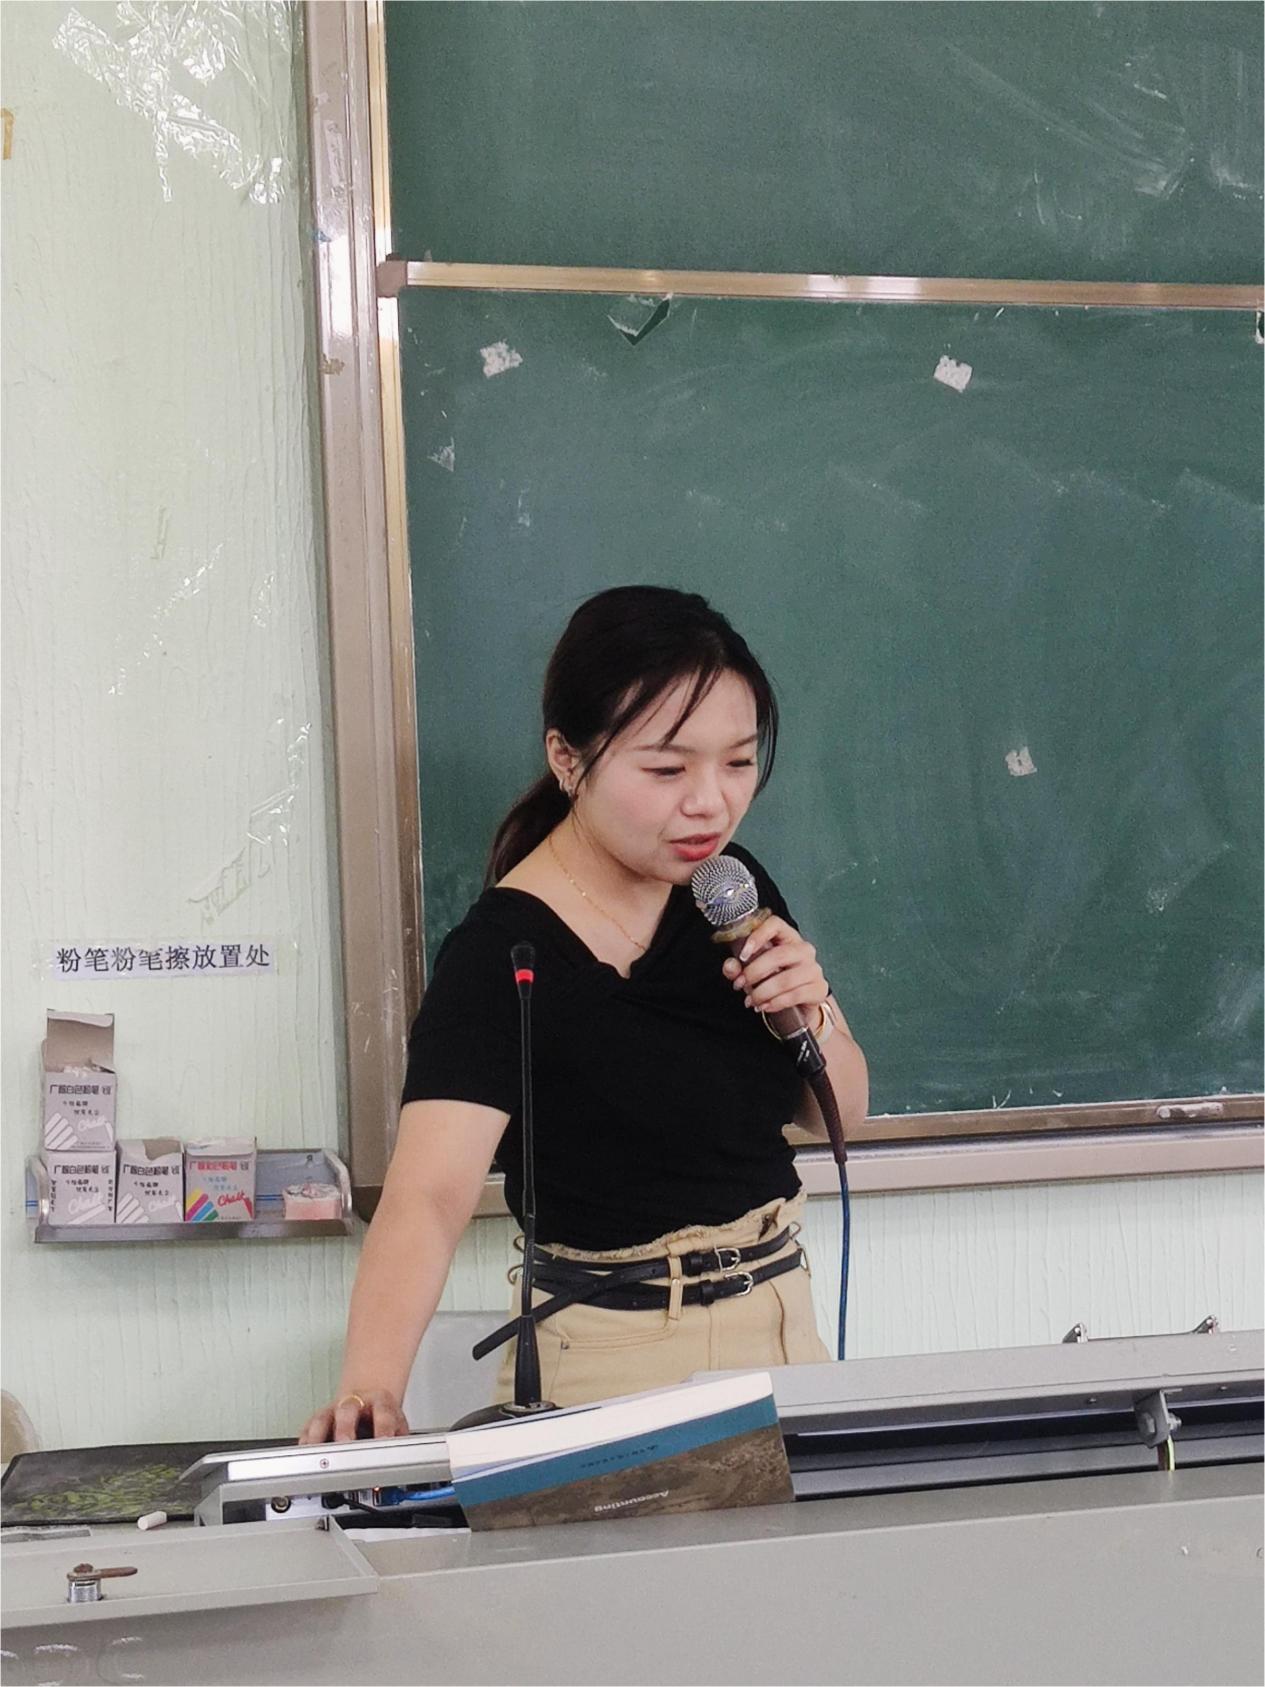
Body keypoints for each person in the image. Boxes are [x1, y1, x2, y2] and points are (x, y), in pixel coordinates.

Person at [299, 586, 868, 1443]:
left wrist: (812, 1011)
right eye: (667, 770)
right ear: (567, 759)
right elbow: (427, 1195)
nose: (710, 802)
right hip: (605, 1356)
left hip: (782, 1329)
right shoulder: (502, 954)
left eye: (738, 762)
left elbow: (838, 1114)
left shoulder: (732, 892)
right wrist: (369, 1386)